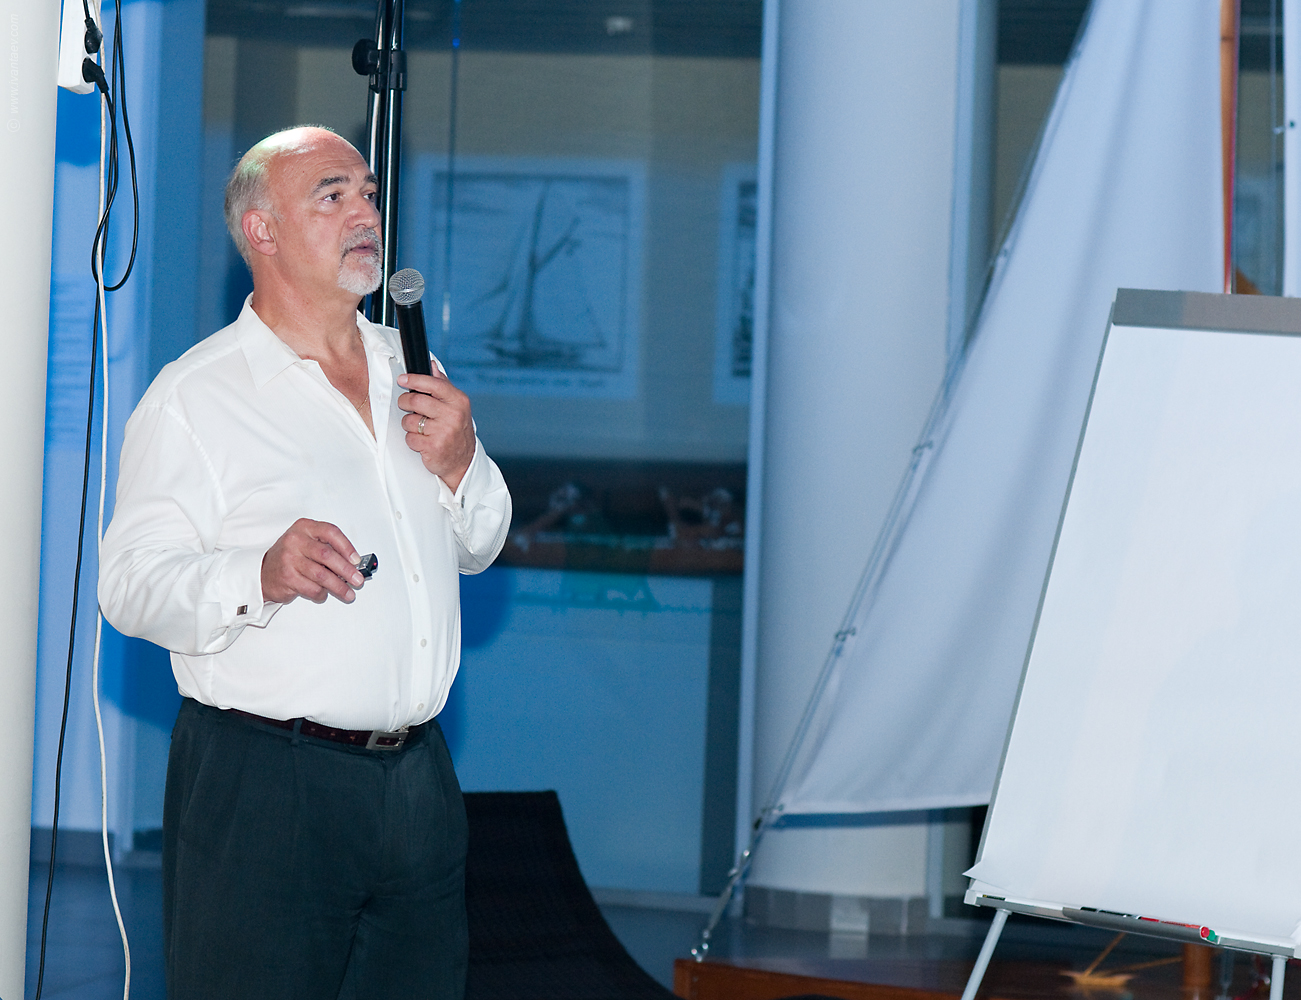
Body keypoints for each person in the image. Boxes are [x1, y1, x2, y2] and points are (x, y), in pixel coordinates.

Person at [98, 125, 511, 998]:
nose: (366, 213)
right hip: (266, 784)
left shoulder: (413, 368)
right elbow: (129, 587)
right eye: (333, 195)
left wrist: (462, 463)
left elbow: (480, 546)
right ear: (263, 231)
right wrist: (257, 573)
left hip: (419, 784)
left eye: (368, 194)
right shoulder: (195, 397)